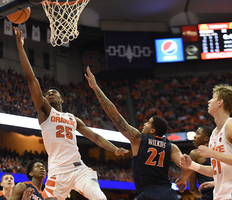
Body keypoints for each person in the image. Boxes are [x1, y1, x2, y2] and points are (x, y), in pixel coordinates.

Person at [14, 27, 129, 200]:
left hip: (79, 169)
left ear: (62, 99)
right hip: (58, 172)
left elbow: (95, 138)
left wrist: (115, 149)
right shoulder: (45, 112)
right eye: (48, 93)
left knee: (100, 198)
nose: (50, 93)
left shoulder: (72, 119)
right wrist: (21, 48)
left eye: (54, 92)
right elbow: (32, 79)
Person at [84, 66, 191, 200]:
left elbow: (114, 114)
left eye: (148, 122)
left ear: (152, 130)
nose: (144, 124)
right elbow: (187, 167)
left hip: (148, 194)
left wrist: (96, 88)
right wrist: (182, 178)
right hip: (168, 193)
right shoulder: (171, 147)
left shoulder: (138, 139)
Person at [180, 84, 232, 200]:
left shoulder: (230, 125)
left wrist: (212, 153)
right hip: (219, 195)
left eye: (213, 98)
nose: (209, 101)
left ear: (220, 103)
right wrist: (191, 165)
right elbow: (216, 169)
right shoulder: (214, 133)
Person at [188, 126, 214, 200]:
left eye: (198, 134)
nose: (194, 136)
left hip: (208, 193)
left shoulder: (195, 153)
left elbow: (192, 188)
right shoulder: (221, 151)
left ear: (206, 139)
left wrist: (203, 196)